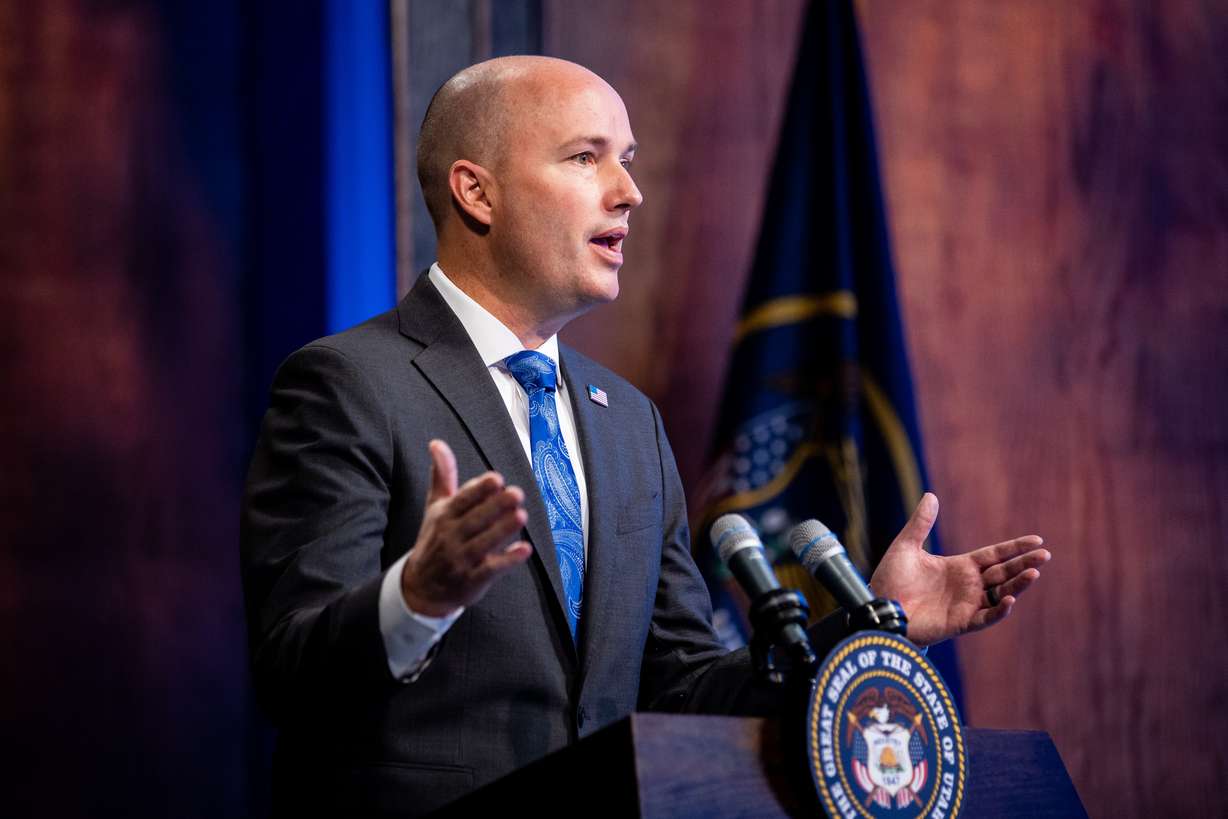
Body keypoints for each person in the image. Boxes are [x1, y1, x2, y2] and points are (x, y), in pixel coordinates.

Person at [240, 56, 1049, 817]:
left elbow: (685, 686)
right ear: (475, 193)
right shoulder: (347, 384)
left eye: (626, 158)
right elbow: (288, 669)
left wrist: (876, 625)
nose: (629, 191)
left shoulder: (626, 421)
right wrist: (417, 595)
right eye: (586, 158)